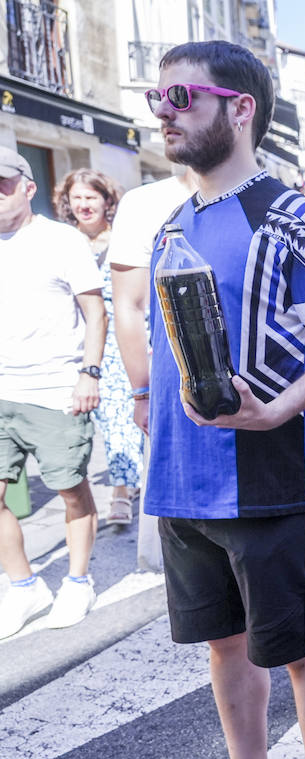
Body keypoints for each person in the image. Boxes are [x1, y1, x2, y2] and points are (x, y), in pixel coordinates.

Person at [144, 40, 305, 759]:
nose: (164, 113)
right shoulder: (174, 222)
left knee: (302, 646)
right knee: (223, 642)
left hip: (266, 479)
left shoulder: (292, 218)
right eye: (158, 98)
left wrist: (278, 412)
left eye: (182, 97)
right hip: (183, 481)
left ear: (239, 109)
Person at [0, 146, 107, 638]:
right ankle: (23, 587)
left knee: (69, 487)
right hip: (3, 390)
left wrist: (89, 372)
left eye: (4, 183)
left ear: (28, 187)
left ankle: (77, 581)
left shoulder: (61, 240)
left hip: (55, 388)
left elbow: (95, 311)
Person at [109, 169, 200, 573]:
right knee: (190, 544)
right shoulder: (143, 203)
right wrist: (142, 392)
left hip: (254, 388)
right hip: (172, 386)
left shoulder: (261, 191)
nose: (169, 113)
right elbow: (128, 306)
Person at [54, 169, 145, 527]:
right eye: (77, 197)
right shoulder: (62, 241)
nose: (83, 204)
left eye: (91, 197)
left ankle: (121, 489)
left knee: (119, 416)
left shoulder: (121, 240)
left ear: (107, 201)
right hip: (72, 343)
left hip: (116, 342)